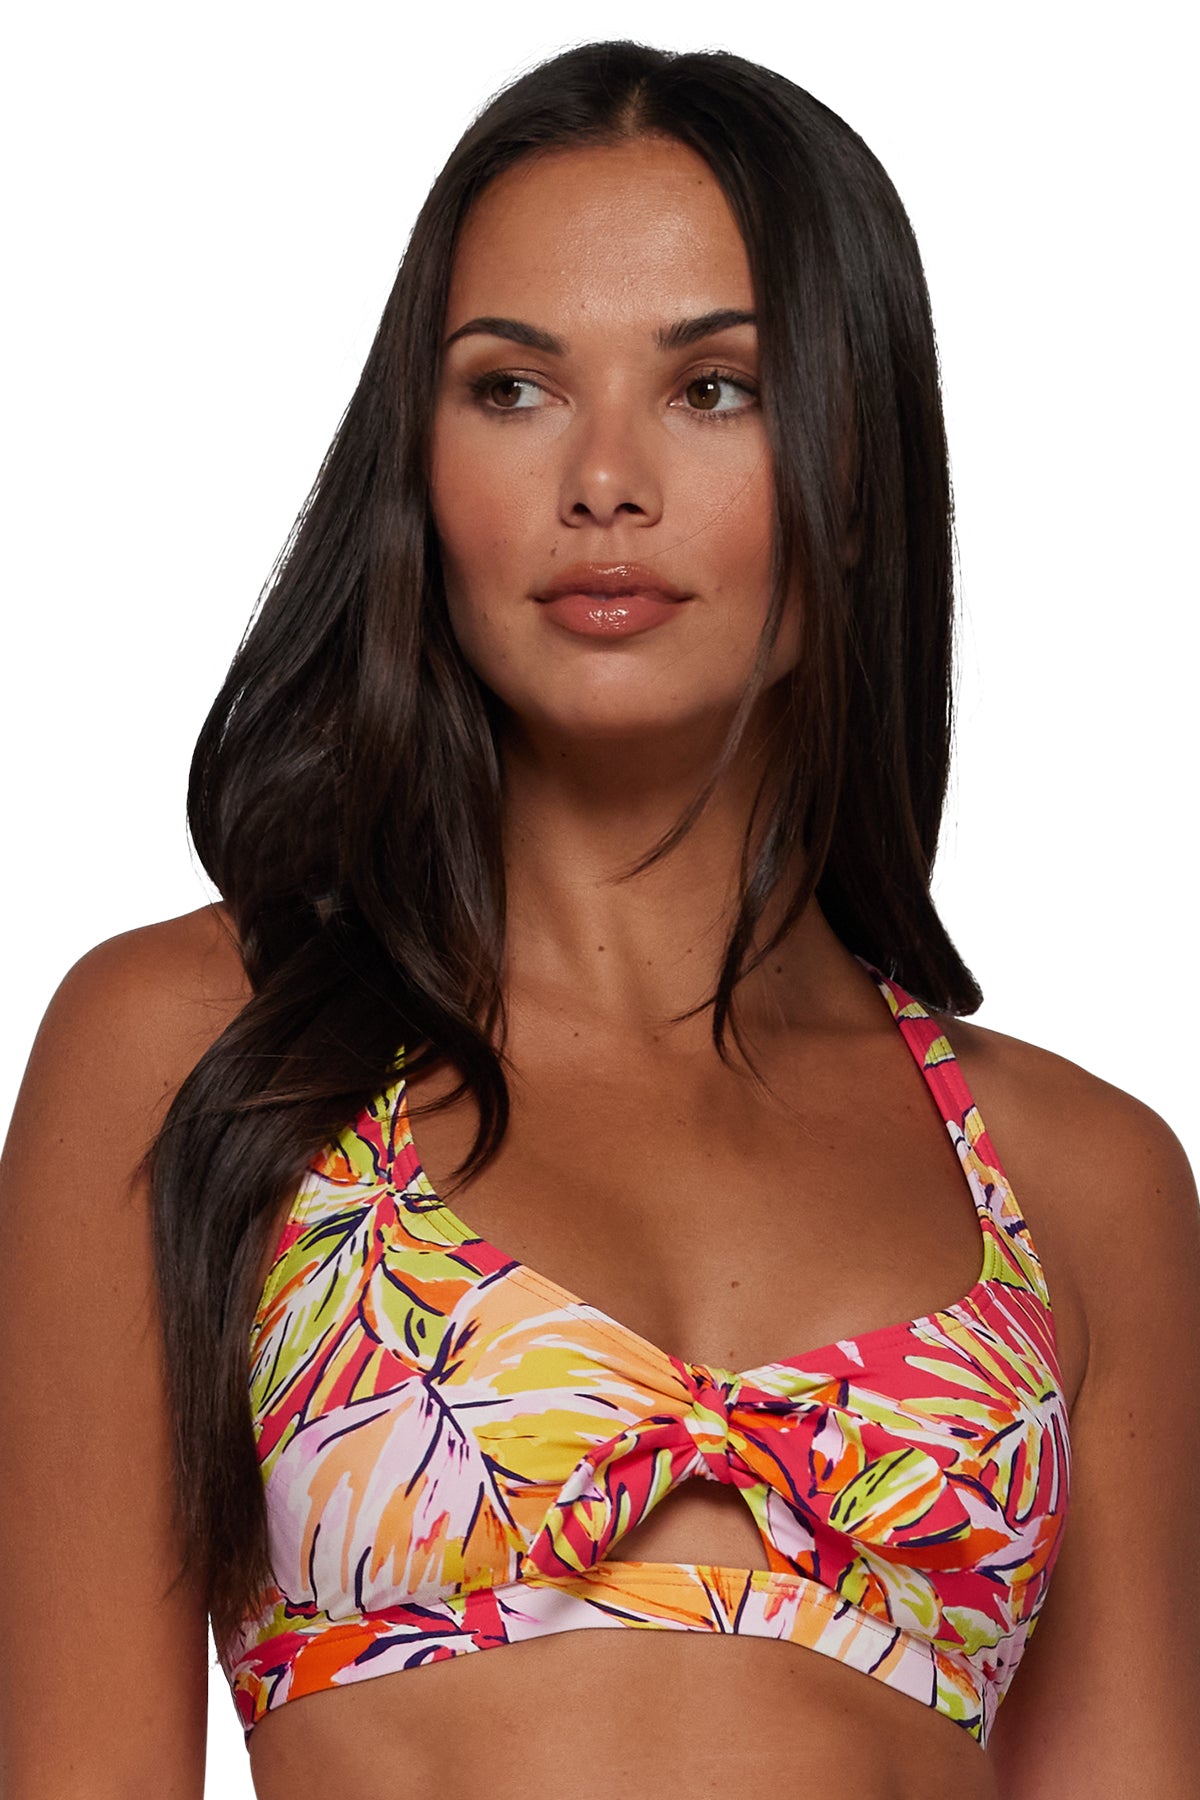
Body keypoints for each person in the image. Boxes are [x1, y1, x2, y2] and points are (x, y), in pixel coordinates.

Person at [1, 37, 1197, 1800]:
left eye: (716, 388)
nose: (605, 480)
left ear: (859, 484)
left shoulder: (1086, 1183)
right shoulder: (197, 1053)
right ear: (418, 472)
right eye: (513, 388)